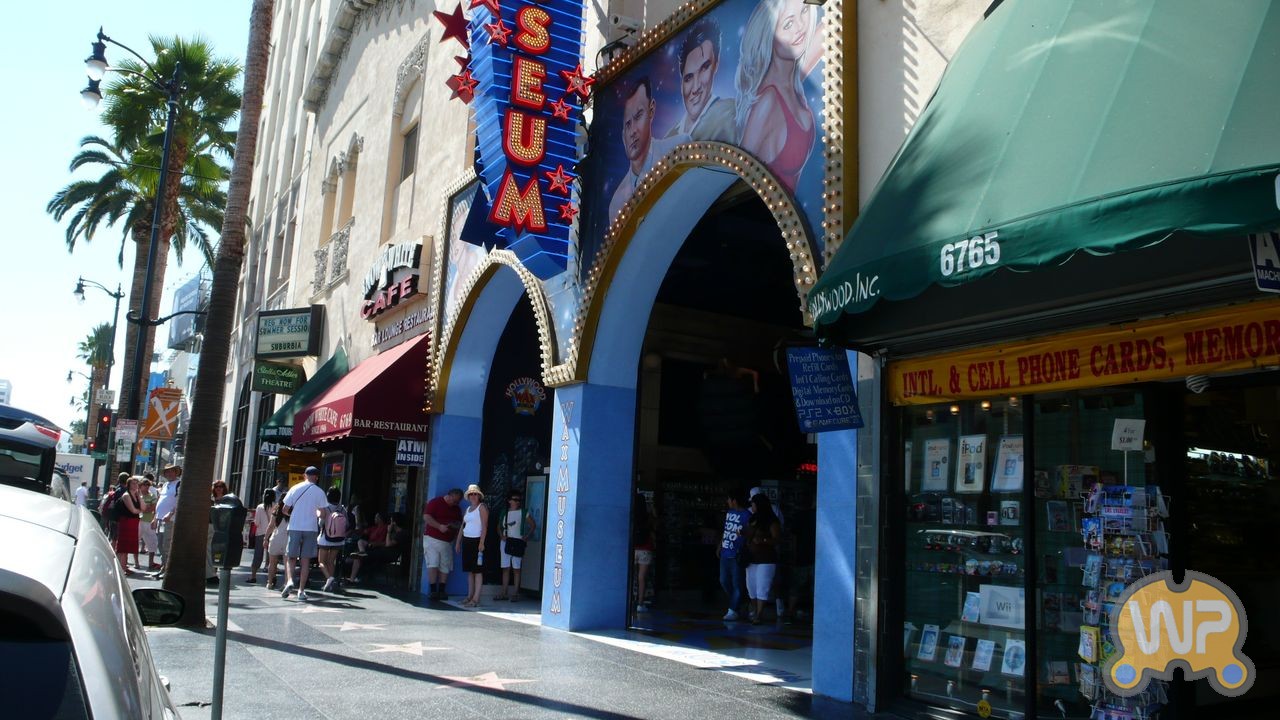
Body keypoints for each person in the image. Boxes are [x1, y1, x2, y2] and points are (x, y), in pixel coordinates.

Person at [735, 0, 822, 193]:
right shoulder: (768, 102)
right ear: (770, 36)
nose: (801, 26)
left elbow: (828, 31)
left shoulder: (791, 80)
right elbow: (738, 176)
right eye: (788, 24)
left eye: (804, 11)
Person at [607, 77, 688, 219]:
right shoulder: (617, 203)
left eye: (638, 116)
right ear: (622, 134)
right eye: (628, 124)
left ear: (651, 110)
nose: (633, 131)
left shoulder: (679, 149)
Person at [666, 17, 737, 143]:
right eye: (688, 78)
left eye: (704, 68)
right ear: (681, 84)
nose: (695, 88)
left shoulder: (731, 114)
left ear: (716, 64)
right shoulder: (669, 137)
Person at [280, 466, 327, 601]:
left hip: (295, 526)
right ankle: (301, 591)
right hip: (311, 528)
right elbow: (323, 514)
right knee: (305, 560)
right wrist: (315, 513)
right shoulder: (320, 492)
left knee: (291, 557)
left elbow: (284, 509)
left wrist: (294, 515)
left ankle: (290, 581)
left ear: (304, 475)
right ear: (316, 477)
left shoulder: (295, 488)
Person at [742, 492, 782, 624]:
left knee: (762, 586)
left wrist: (763, 540)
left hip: (766, 558)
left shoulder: (772, 520)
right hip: (751, 558)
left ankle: (758, 614)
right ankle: (755, 610)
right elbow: (748, 533)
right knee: (751, 586)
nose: (752, 506)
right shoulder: (753, 518)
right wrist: (743, 533)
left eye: (753, 504)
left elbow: (777, 539)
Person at [422, 487, 464, 600]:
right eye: (454, 501)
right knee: (433, 563)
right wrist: (439, 526)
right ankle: (433, 590)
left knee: (445, 565)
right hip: (432, 538)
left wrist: (454, 528)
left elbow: (460, 523)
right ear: (449, 496)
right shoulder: (435, 502)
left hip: (448, 541)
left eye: (457, 502)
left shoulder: (456, 509)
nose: (455, 503)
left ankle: (441, 590)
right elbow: (426, 517)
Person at [716, 489, 751, 621]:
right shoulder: (729, 513)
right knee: (723, 580)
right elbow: (726, 530)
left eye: (729, 499)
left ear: (734, 500)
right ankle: (739, 603)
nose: (727, 502)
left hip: (737, 553)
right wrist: (720, 545)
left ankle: (733, 609)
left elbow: (749, 533)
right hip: (725, 552)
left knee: (737, 583)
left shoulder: (747, 515)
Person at [497, 492, 536, 602]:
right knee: (505, 568)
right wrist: (502, 536)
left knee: (516, 568)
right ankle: (504, 592)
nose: (517, 502)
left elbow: (533, 525)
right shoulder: (504, 512)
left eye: (519, 500)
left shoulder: (523, 512)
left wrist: (526, 537)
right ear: (509, 500)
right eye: (515, 499)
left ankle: (515, 593)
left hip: (518, 541)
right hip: (506, 541)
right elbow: (499, 526)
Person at [455, 485, 489, 607]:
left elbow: (484, 526)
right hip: (467, 541)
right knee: (470, 571)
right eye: (471, 494)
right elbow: (463, 526)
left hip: (477, 541)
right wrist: (458, 542)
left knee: (478, 571)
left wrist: (481, 542)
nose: (473, 496)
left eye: (475, 494)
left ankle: (475, 599)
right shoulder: (468, 509)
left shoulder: (482, 507)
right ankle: (469, 596)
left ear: (479, 496)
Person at [150, 465, 181, 579]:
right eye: (167, 472)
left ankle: (168, 570)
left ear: (176, 473)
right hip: (160, 520)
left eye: (171, 471)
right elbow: (160, 501)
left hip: (170, 520)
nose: (169, 474)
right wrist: (154, 518)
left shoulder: (179, 484)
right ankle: (163, 567)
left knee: (167, 545)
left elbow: (179, 501)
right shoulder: (165, 485)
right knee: (160, 545)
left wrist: (171, 514)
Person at [317, 487, 347, 593]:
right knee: (331, 561)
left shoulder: (326, 508)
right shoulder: (342, 509)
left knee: (321, 562)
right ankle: (329, 585)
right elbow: (347, 523)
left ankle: (329, 578)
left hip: (325, 538)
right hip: (339, 539)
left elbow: (320, 523)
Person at [112, 476, 144, 573]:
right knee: (122, 546)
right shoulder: (126, 495)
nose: (135, 485)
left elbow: (143, 507)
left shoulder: (136, 495)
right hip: (126, 522)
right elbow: (133, 510)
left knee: (127, 547)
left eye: (136, 483)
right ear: (128, 485)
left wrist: (139, 496)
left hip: (134, 522)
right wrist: (140, 510)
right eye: (133, 483)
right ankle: (119, 568)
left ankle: (123, 567)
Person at [632, 492, 657, 613]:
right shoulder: (648, 517)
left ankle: (629, 600)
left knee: (631, 577)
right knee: (641, 577)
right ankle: (640, 604)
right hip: (646, 549)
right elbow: (655, 526)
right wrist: (652, 509)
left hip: (633, 549)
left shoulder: (632, 516)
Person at [247, 489, 274, 584]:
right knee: (272, 556)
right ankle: (271, 578)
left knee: (258, 555)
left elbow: (257, 522)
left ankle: (253, 576)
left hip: (261, 533)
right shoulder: (276, 506)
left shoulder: (260, 507)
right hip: (272, 533)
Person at [265, 488, 289, 590]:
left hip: (275, 537)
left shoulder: (276, 510)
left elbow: (271, 526)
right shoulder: (293, 511)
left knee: (272, 563)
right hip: (287, 539)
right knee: (287, 563)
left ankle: (270, 583)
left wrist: (265, 538)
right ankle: (286, 584)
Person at [137, 477, 160, 570]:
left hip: (149, 521)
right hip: (138, 521)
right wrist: (146, 508)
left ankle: (151, 563)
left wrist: (144, 509)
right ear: (140, 486)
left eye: (148, 485)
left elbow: (153, 508)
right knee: (135, 542)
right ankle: (136, 562)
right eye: (144, 485)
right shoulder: (137, 496)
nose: (146, 487)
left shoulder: (152, 496)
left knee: (152, 542)